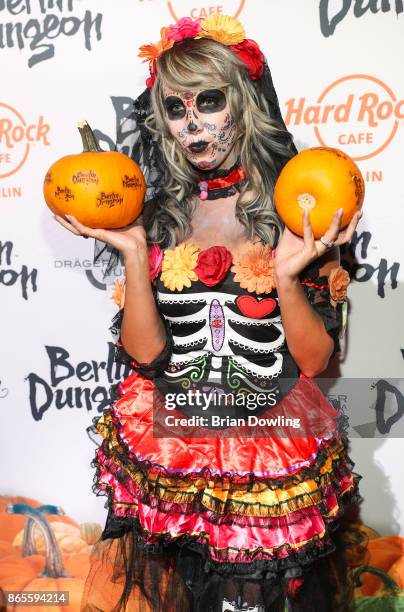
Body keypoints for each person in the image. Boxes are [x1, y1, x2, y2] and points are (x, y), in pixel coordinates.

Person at [56, 14, 366, 612]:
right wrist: (136, 252)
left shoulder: (297, 206)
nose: (193, 121)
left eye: (209, 100)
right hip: (176, 444)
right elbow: (145, 356)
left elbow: (313, 360)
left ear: (244, 101)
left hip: (267, 441)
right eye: (176, 107)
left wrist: (283, 275)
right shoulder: (160, 215)